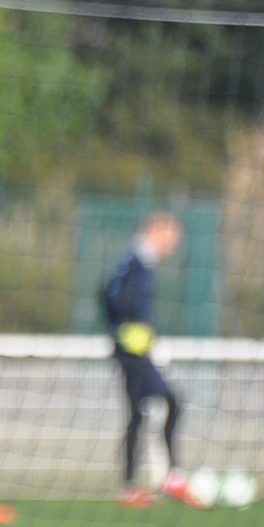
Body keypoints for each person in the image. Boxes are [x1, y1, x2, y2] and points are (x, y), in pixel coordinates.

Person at [101, 211, 201, 508]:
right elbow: (118, 299)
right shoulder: (136, 263)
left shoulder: (133, 262)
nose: (173, 244)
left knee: (139, 413)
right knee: (171, 401)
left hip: (134, 349)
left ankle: (132, 486)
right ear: (156, 231)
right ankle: (171, 478)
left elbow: (107, 295)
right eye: (171, 236)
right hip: (135, 352)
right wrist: (133, 331)